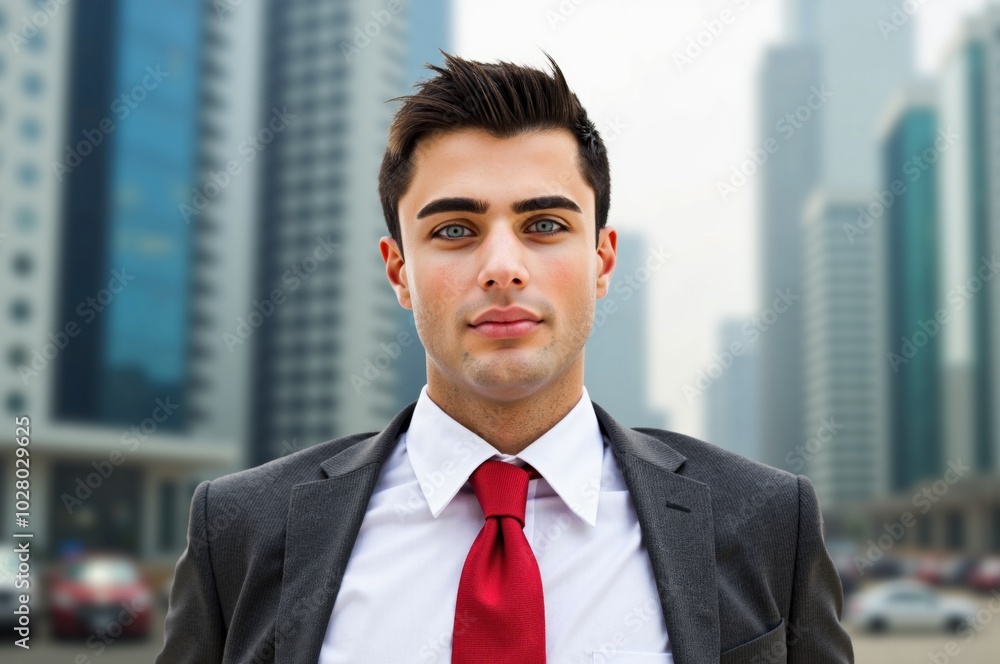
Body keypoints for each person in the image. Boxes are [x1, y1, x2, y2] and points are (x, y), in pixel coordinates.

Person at [157, 51, 854, 664]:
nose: (501, 267)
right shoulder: (241, 528)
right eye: (454, 229)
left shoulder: (765, 518)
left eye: (544, 224)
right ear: (398, 271)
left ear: (602, 260)